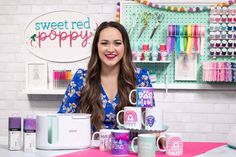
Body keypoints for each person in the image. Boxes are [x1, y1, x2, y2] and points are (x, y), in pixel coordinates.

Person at [58, 21, 152, 132]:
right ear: (96, 47)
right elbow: (62, 120)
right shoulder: (82, 78)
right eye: (104, 43)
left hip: (130, 148)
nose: (111, 49)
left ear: (125, 47)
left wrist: (159, 139)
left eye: (117, 43)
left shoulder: (141, 78)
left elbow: (150, 120)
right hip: (90, 147)